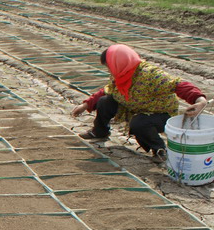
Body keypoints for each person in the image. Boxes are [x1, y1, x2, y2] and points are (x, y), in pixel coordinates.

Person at [71, 43, 207, 163]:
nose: (109, 70)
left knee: (139, 123)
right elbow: (107, 91)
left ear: (119, 62)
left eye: (109, 66)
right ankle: (99, 132)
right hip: (135, 108)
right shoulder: (121, 74)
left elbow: (178, 85)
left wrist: (199, 100)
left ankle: (159, 149)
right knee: (104, 101)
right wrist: (85, 105)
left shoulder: (150, 75)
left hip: (160, 114)